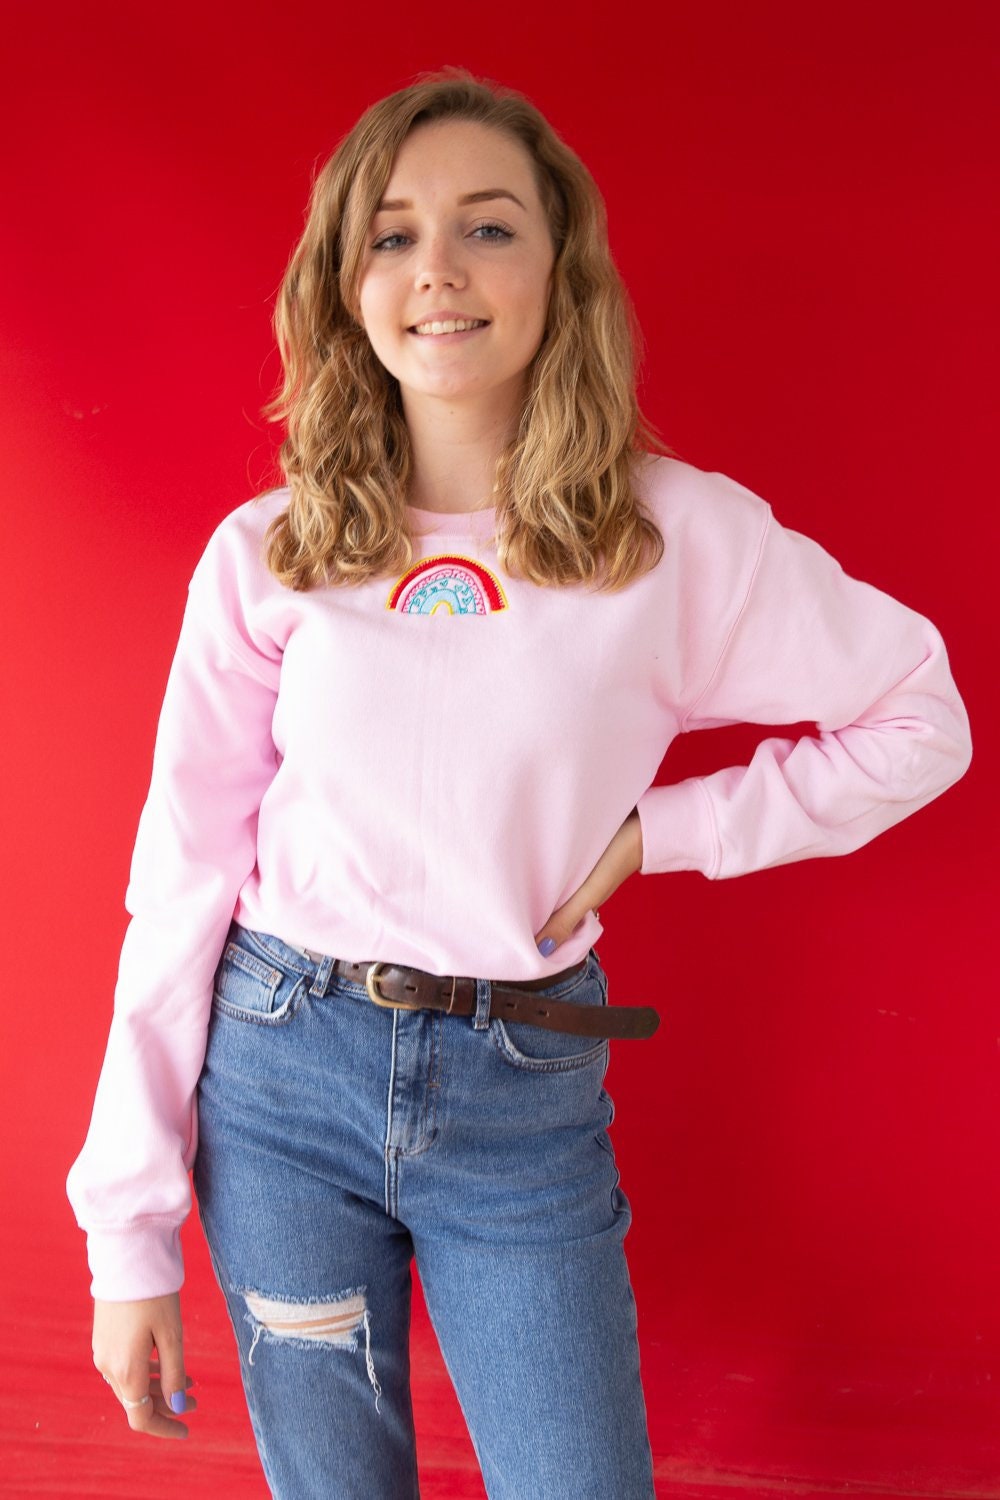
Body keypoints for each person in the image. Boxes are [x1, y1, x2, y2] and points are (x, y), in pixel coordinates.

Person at [66, 68, 972, 1499]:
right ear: (345, 280)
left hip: (522, 1096)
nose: (438, 272)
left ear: (563, 269)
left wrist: (665, 832)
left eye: (488, 229)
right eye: (393, 233)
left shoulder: (672, 537)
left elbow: (920, 715)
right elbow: (178, 879)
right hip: (281, 1083)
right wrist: (129, 1237)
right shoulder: (271, 554)